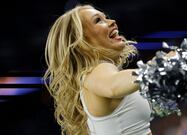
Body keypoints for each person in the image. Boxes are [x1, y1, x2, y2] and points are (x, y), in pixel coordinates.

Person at [44, 4, 177, 135]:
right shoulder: (95, 71)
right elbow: (113, 86)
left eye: (106, 17)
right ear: (81, 41)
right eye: (98, 20)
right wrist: (161, 63)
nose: (112, 22)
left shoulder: (94, 76)